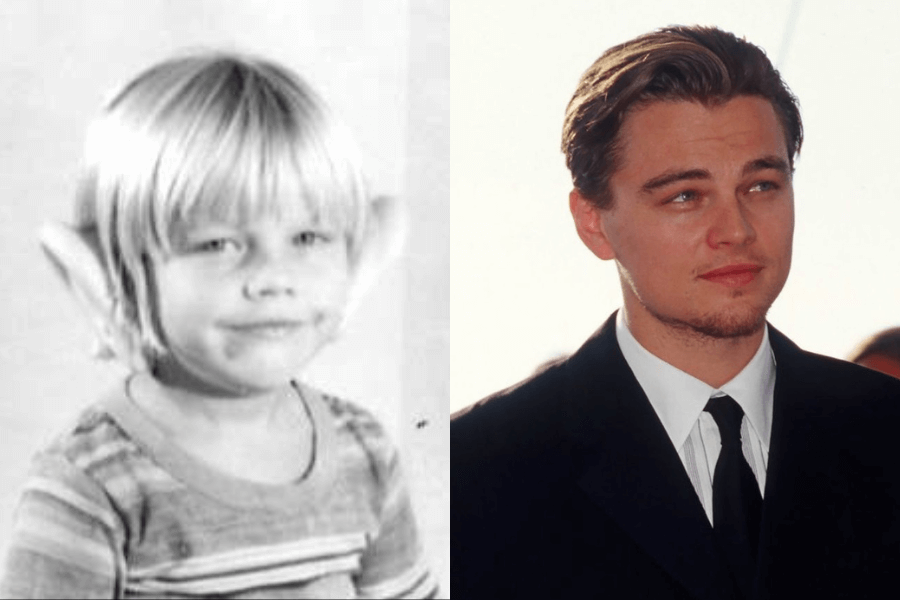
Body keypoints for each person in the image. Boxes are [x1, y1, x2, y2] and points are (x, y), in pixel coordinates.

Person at [452, 25, 900, 599]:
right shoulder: (474, 474)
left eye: (761, 185)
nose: (735, 230)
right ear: (593, 221)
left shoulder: (889, 436)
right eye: (685, 196)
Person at [1, 52, 438, 599]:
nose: (272, 278)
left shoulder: (364, 451)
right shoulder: (92, 483)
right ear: (123, 275)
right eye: (217, 243)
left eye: (308, 238)